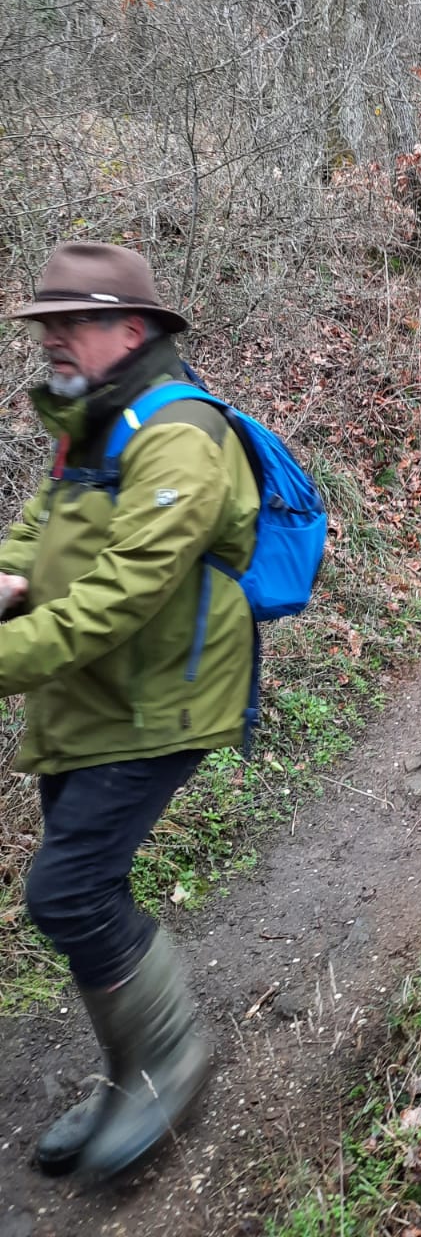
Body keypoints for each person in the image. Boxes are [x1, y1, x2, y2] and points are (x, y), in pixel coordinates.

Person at [0, 242, 260, 1180]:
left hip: (165, 701)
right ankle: (126, 1073)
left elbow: (121, 595)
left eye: (74, 323)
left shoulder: (181, 435)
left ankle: (171, 1057)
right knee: (84, 893)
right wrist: (12, 571)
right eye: (47, 326)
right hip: (88, 701)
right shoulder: (91, 419)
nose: (56, 341)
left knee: (66, 890)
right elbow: (45, 519)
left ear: (133, 329)